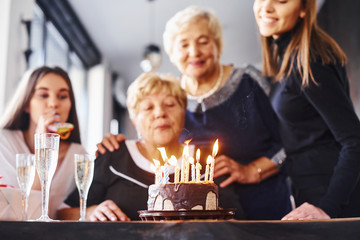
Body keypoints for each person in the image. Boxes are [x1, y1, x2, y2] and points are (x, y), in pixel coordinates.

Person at [98, 6, 292, 220]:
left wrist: (251, 171)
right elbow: (157, 144)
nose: (194, 52)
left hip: (264, 205)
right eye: (183, 45)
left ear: (217, 45)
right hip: (207, 217)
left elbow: (290, 141)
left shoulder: (249, 83)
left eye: (203, 41)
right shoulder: (173, 100)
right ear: (172, 54)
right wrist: (116, 142)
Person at [253, 0, 360, 220]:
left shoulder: (310, 59)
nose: (266, 7)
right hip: (310, 192)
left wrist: (327, 208)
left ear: (303, 9)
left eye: (281, 0)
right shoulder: (287, 56)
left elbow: (354, 140)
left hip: (332, 198)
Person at [58, 72, 189, 221]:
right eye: (148, 107)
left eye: (170, 104)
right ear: (134, 120)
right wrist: (90, 212)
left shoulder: (207, 164)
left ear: (183, 112)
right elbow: (62, 212)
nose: (160, 113)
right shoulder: (112, 156)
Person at [0, 66, 87, 220]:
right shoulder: (4, 142)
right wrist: (44, 144)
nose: (53, 104)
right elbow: (21, 213)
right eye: (43, 95)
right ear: (26, 104)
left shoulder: (78, 154)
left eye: (62, 96)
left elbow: (74, 212)